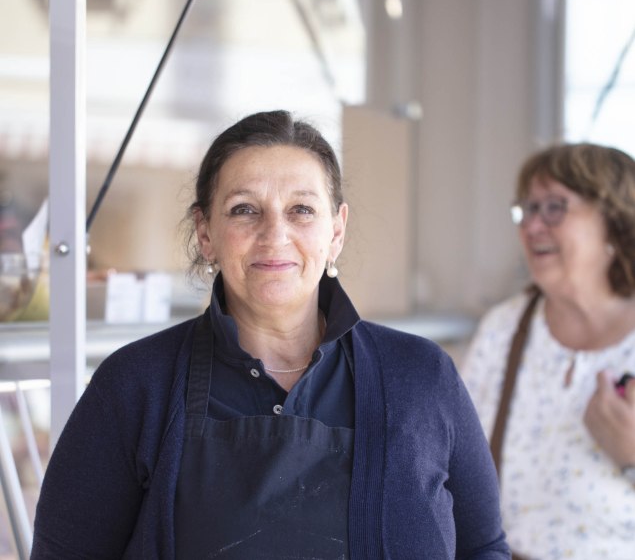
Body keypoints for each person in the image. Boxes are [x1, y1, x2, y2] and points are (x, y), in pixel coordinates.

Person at [31, 110, 509, 559]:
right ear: (205, 232)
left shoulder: (421, 377)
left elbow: (483, 547)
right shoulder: (137, 384)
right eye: (244, 210)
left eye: (301, 209)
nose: (274, 234)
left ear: (336, 231)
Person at [461, 142, 635, 560]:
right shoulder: (504, 329)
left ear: (614, 221)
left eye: (554, 207)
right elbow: (454, 466)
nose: (533, 226)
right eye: (527, 209)